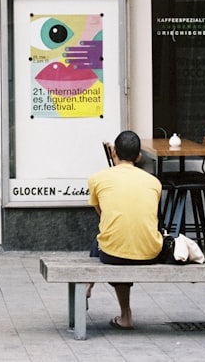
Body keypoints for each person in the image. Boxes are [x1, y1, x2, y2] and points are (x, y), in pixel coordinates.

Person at [88, 130, 166, 330]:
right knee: (120, 238)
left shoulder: (97, 179)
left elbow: (102, 213)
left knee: (104, 238)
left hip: (113, 254)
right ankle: (124, 314)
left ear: (114, 153)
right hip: (150, 252)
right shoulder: (154, 182)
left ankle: (90, 286)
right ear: (139, 156)